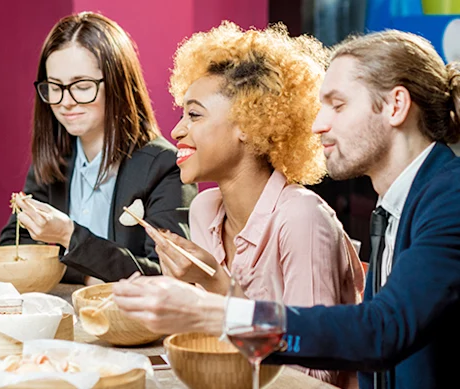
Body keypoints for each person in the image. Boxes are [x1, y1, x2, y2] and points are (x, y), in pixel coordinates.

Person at [112, 30, 460, 389]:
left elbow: (380, 332)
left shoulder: (451, 198)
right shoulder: (397, 203)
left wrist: (211, 310)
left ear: (395, 106)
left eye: (338, 105)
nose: (317, 125)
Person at [148, 22, 365, 387]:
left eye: (194, 115)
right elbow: (213, 343)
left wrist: (215, 284)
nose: (176, 131)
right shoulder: (205, 209)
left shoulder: (301, 218)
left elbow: (314, 369)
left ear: (249, 124)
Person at [0, 12, 196, 284]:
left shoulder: (164, 166)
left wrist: (69, 236)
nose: (65, 101)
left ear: (116, 84)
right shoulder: (54, 159)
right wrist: (91, 273)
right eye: (54, 87)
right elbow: (12, 247)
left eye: (81, 86)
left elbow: (168, 275)